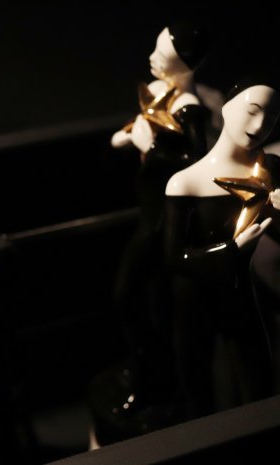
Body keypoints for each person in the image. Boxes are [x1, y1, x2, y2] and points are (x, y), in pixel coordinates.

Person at [90, 23, 210, 446]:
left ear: (187, 65)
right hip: (147, 211)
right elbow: (133, 131)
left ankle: (154, 378)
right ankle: (145, 367)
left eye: (163, 55)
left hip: (165, 221)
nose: (152, 59)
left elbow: (196, 163)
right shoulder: (160, 93)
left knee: (133, 297)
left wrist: (148, 145)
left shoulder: (190, 108)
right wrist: (131, 136)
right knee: (137, 299)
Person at [164, 80, 280, 419]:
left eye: (271, 119)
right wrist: (231, 251)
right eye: (252, 111)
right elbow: (173, 258)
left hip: (238, 292)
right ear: (227, 106)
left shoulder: (269, 171)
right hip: (192, 299)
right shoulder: (184, 181)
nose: (258, 126)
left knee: (258, 387)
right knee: (196, 393)